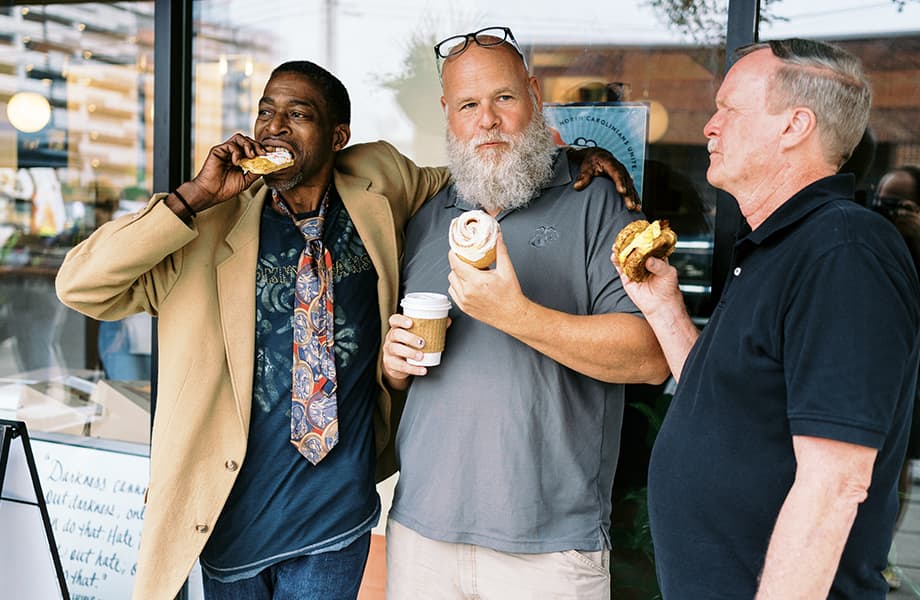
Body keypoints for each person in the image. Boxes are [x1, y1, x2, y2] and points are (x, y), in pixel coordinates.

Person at [55, 59, 634, 599]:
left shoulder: (380, 188)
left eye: (298, 115)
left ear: (337, 138)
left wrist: (571, 160)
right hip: (228, 519)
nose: (274, 128)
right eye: (265, 111)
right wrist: (196, 195)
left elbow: (487, 165)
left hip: (335, 519)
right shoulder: (206, 227)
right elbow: (81, 286)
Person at [611, 39, 920, 598]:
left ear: (794, 126)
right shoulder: (779, 246)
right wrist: (667, 312)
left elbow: (835, 483)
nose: (709, 125)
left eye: (729, 108)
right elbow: (728, 407)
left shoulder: (843, 251)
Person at [381, 26, 669, 599]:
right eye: (468, 104)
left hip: (550, 548)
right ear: (448, 113)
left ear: (534, 96)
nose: (486, 119)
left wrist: (516, 314)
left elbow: (651, 357)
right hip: (421, 536)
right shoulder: (426, 216)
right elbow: (402, 378)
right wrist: (393, 366)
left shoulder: (597, 202)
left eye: (504, 98)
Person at [872, 164, 920, 590]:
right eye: (884, 201)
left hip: (911, 366)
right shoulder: (866, 238)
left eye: (902, 204)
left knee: (897, 463)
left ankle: (880, 552)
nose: (890, 211)